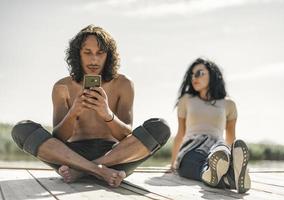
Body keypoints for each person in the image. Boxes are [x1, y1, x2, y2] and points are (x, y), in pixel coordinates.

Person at [11, 25, 170, 187]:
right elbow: (58, 138)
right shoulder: (62, 87)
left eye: (100, 53)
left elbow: (125, 135)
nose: (94, 60)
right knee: (22, 129)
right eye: (87, 53)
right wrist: (73, 113)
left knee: (160, 127)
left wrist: (107, 114)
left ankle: (83, 170)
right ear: (78, 55)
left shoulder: (124, 84)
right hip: (71, 154)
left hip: (115, 155)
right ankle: (99, 171)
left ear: (108, 56)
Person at [171, 58, 251, 193]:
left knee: (220, 151)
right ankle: (230, 176)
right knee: (195, 162)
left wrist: (234, 156)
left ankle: (218, 171)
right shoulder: (186, 100)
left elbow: (231, 136)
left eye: (199, 73)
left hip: (217, 146)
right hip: (192, 147)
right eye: (192, 74)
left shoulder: (229, 104)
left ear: (212, 75)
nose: (194, 77)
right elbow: (180, 133)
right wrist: (173, 163)